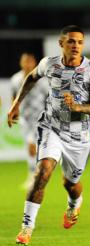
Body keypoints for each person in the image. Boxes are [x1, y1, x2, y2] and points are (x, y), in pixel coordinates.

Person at [7, 25, 90, 245]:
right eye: (71, 41)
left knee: (70, 183)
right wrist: (16, 104)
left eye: (80, 42)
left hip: (79, 136)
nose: (76, 46)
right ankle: (27, 227)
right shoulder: (48, 64)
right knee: (42, 172)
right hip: (51, 127)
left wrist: (78, 108)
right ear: (61, 43)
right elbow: (32, 78)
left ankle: (74, 203)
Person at [10, 53, 49, 190]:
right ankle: (35, 177)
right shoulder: (15, 79)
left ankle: (34, 177)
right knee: (31, 147)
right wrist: (13, 111)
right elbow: (14, 97)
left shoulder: (42, 80)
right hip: (25, 119)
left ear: (34, 63)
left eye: (29, 61)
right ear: (21, 63)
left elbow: (49, 97)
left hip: (40, 118)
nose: (27, 64)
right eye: (24, 61)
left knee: (34, 148)